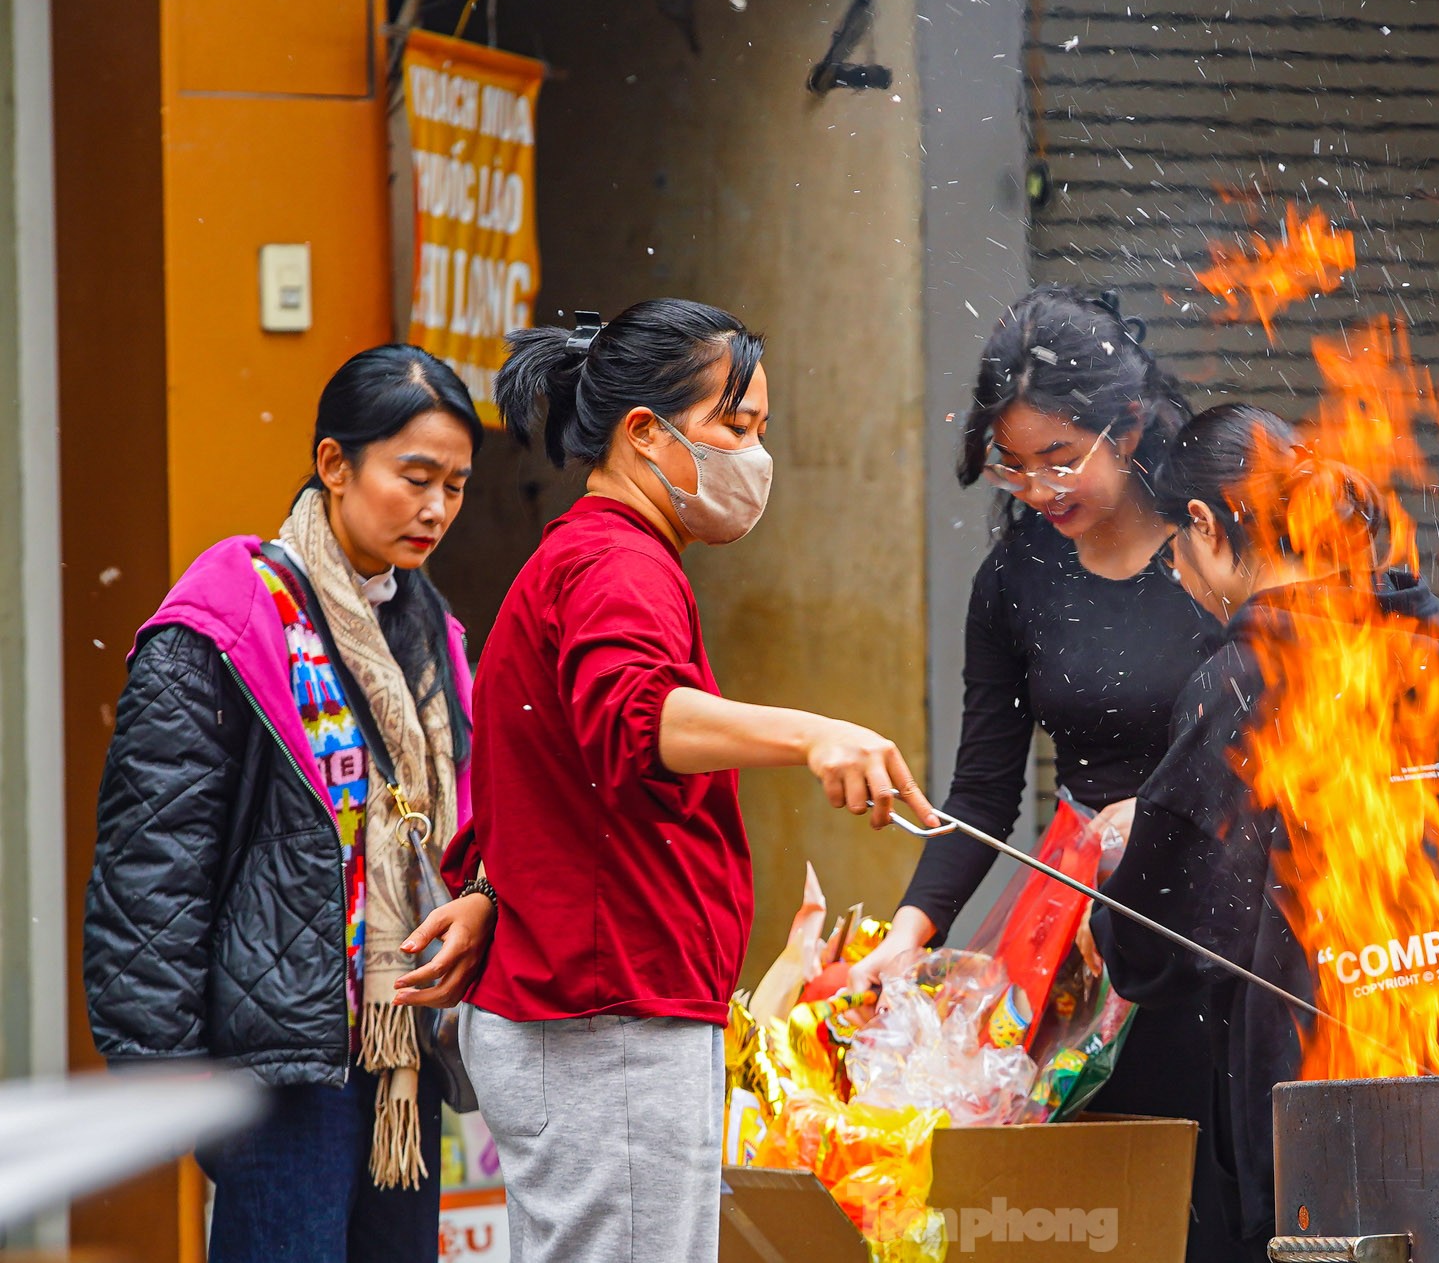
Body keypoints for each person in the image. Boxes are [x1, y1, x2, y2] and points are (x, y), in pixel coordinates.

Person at [448, 299, 940, 1263]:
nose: (755, 457)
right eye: (737, 427)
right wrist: (813, 734)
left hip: (596, 1015)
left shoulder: (606, 558)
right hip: (606, 1021)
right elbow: (637, 719)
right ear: (645, 434)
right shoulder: (613, 562)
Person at [845, 284, 1232, 1257]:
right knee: (1103, 1208)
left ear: (1130, 426)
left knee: (1228, 1206)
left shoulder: (1212, 543)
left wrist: (1173, 807)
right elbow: (981, 794)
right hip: (1092, 943)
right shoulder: (1016, 578)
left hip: (1229, 924)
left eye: (1062, 459)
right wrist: (906, 936)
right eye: (1014, 468)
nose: (1039, 489)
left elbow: (1286, 725)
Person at [84, 346, 493, 1262]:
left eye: (456, 486)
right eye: (414, 476)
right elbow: (155, 856)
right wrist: (162, 1068)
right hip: (275, 1061)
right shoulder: (227, 624)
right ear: (335, 464)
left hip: (399, 1051)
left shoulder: (430, 631)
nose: (435, 508)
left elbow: (459, 830)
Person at [1092, 403, 1439, 1260]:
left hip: (1324, 1131)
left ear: (1205, 527)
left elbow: (1159, 947)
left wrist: (1115, 866)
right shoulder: (1438, 653)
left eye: (1174, 549)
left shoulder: (1241, 682)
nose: (1179, 572)